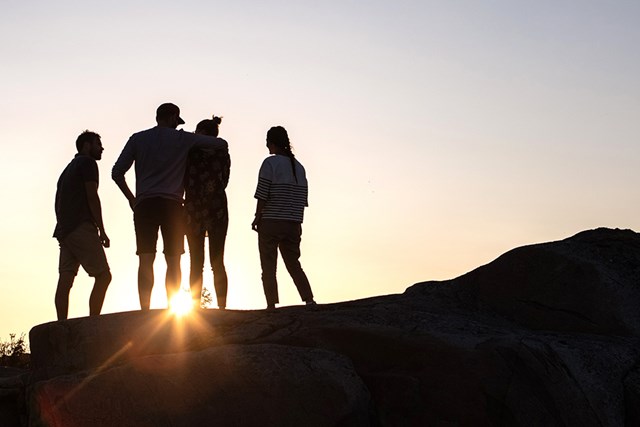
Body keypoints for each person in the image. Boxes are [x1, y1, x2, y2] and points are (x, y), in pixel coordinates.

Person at [112, 103, 228, 311]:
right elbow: (220, 144)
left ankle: (145, 310)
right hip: (172, 206)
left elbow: (117, 172)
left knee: (146, 260)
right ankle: (169, 308)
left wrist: (131, 198)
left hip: (144, 204)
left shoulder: (137, 139)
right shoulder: (183, 139)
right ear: (173, 117)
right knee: (173, 262)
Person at [251, 126, 316, 310]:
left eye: (267, 142)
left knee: (269, 266)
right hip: (293, 223)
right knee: (294, 264)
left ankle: (272, 305)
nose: (266, 146)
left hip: (271, 221)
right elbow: (302, 199)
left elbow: (263, 193)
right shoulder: (300, 168)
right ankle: (309, 299)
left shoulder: (269, 164)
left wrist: (257, 216)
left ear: (271, 142)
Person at [53, 130, 112, 320]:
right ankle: (93, 323)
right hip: (80, 226)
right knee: (103, 276)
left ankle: (62, 324)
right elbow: (92, 196)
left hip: (65, 230)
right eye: (98, 143)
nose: (102, 148)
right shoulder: (87, 163)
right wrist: (102, 230)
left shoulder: (67, 169)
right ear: (87, 145)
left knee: (66, 278)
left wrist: (63, 228)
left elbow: (57, 201)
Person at [185, 116, 230, 309]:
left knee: (196, 262)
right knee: (217, 261)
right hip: (217, 207)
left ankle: (195, 307)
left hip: (194, 209)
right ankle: (222, 307)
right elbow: (225, 179)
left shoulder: (189, 152)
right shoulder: (222, 152)